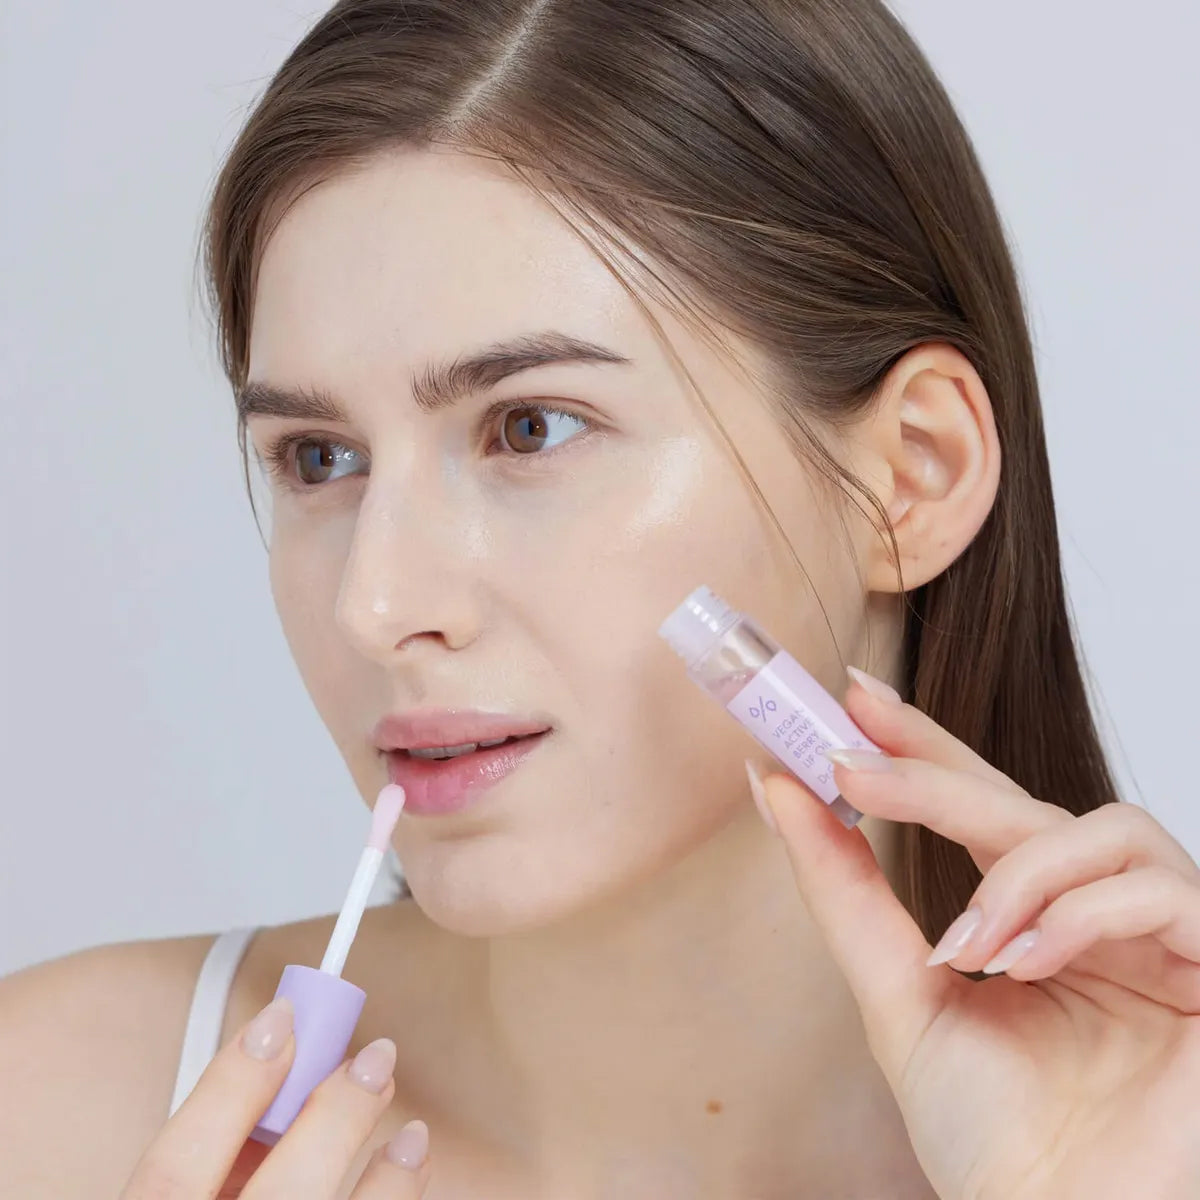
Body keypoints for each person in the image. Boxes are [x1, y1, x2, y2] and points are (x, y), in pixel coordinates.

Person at [3, 0, 1198, 1196]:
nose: (376, 602)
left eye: (531, 429)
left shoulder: (1155, 1142)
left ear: (909, 477)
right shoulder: (51, 1112)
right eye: (319, 458)